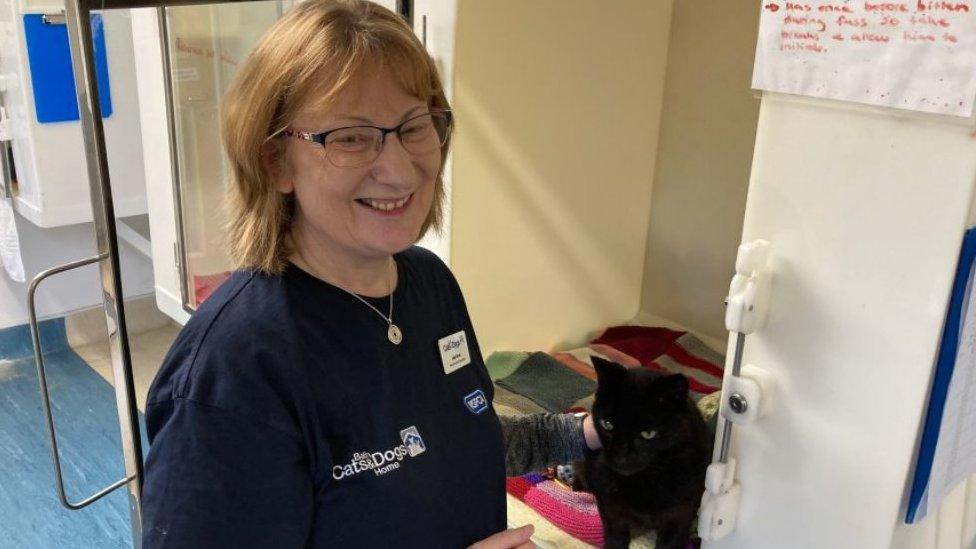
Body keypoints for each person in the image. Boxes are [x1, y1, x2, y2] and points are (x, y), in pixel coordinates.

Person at [142, 1, 600, 547]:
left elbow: (450, 439)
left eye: (414, 126)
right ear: (274, 162)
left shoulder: (428, 284)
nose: (400, 168)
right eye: (351, 137)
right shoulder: (233, 374)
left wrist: (585, 433)